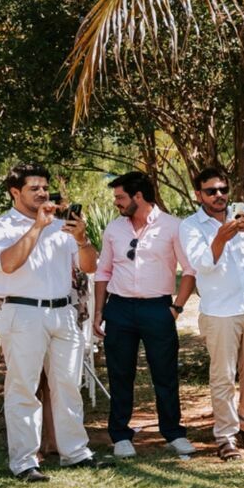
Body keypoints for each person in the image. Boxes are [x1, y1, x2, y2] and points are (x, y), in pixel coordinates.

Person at [0, 163, 100, 481]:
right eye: (34, 188)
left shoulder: (61, 226)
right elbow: (8, 264)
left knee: (68, 385)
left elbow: (89, 266)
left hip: (63, 311)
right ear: (15, 192)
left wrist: (82, 239)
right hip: (22, 312)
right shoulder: (0, 227)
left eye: (45, 188)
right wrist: (37, 227)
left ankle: (75, 452)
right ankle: (24, 461)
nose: (42, 193)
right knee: (24, 386)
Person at [92, 171, 195, 459]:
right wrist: (99, 311)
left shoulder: (173, 226)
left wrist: (176, 308)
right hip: (119, 308)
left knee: (165, 373)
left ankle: (174, 434)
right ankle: (120, 436)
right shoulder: (114, 229)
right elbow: (103, 272)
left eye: (121, 197)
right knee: (119, 374)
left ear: (138, 196)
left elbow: (189, 270)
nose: (116, 202)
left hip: (157, 309)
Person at [180, 165, 244, 460]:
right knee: (222, 376)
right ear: (199, 195)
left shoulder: (243, 212)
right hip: (220, 312)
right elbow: (201, 263)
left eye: (223, 189)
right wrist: (220, 238)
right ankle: (225, 436)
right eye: (211, 191)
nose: (219, 195)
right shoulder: (190, 226)